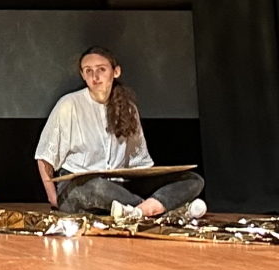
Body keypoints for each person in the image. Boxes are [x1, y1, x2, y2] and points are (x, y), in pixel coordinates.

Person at [35, 46, 207, 222]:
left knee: (193, 179)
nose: (95, 77)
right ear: (83, 75)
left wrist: (153, 183)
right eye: (88, 71)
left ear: (115, 72)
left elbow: (139, 162)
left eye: (101, 69)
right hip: (80, 187)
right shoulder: (68, 105)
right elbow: (45, 158)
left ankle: (140, 210)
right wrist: (53, 199)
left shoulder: (128, 108)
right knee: (96, 187)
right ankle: (150, 211)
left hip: (119, 185)